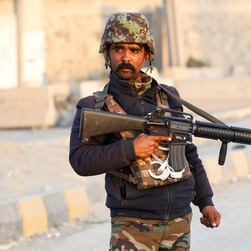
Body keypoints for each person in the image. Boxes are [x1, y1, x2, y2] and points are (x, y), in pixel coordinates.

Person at [69, 12, 221, 251]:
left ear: (146, 54)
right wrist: (130, 149)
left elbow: (188, 153)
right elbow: (80, 160)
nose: (126, 57)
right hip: (132, 225)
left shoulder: (168, 97)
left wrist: (205, 201)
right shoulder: (95, 107)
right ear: (108, 53)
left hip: (179, 222)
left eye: (134, 50)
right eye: (118, 49)